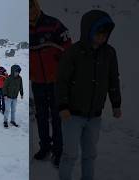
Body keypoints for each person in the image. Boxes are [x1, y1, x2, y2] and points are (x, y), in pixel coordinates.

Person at [57, 10, 122, 180]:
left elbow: (113, 79)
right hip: (72, 116)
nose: (102, 37)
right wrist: (63, 106)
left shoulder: (109, 53)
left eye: (105, 34)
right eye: (99, 33)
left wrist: (116, 104)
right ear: (88, 31)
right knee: (70, 155)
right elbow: (62, 81)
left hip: (94, 116)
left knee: (90, 155)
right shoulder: (73, 52)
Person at [30, 0, 72, 167]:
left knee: (57, 116)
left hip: (56, 81)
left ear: (37, 6)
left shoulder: (53, 24)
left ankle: (58, 150)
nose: (30, 11)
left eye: (31, 6)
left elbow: (68, 48)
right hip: (38, 82)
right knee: (41, 116)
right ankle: (45, 147)